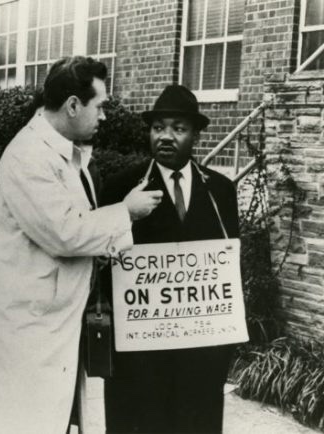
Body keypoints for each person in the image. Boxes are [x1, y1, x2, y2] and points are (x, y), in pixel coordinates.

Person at [0, 56, 163, 434]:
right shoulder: (28, 157)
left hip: (53, 320)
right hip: (31, 327)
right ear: (74, 105)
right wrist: (126, 212)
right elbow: (64, 232)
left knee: (56, 420)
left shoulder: (61, 151)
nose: (105, 116)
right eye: (101, 106)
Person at [100, 84, 241, 434]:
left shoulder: (220, 190)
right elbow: (103, 264)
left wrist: (225, 341)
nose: (165, 136)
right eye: (158, 127)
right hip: (139, 357)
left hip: (199, 353)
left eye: (178, 128)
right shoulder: (122, 187)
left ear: (195, 135)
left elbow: (228, 268)